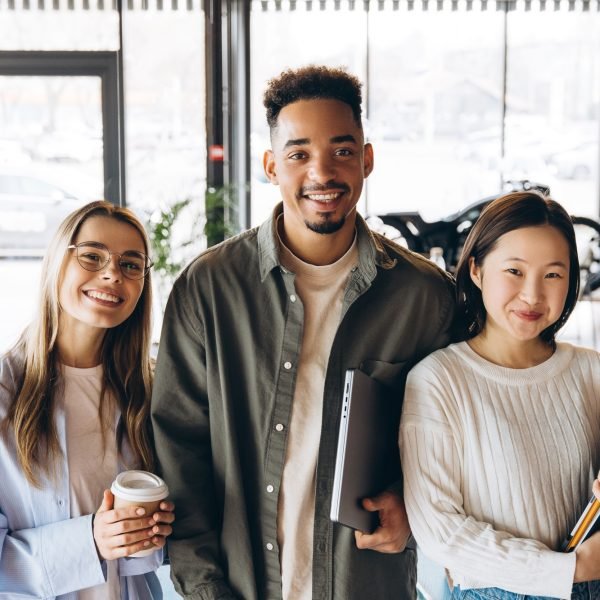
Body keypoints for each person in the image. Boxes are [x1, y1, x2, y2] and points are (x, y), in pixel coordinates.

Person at [151, 65, 455, 600]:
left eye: (342, 151)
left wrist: (413, 507)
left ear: (367, 159)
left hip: (367, 585)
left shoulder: (424, 298)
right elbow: (181, 455)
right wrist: (203, 589)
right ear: (272, 165)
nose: (322, 173)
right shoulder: (210, 288)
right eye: (298, 154)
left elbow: (453, 445)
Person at [400, 190, 600, 600]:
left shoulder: (591, 371)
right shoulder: (438, 380)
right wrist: (568, 569)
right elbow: (440, 531)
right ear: (476, 270)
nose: (532, 295)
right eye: (514, 271)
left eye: (553, 275)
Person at [0, 200, 175, 599]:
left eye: (131, 264)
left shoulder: (148, 391)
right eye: (92, 256)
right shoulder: (6, 394)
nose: (113, 273)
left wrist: (149, 533)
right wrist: (90, 541)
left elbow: (146, 554)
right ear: (57, 263)